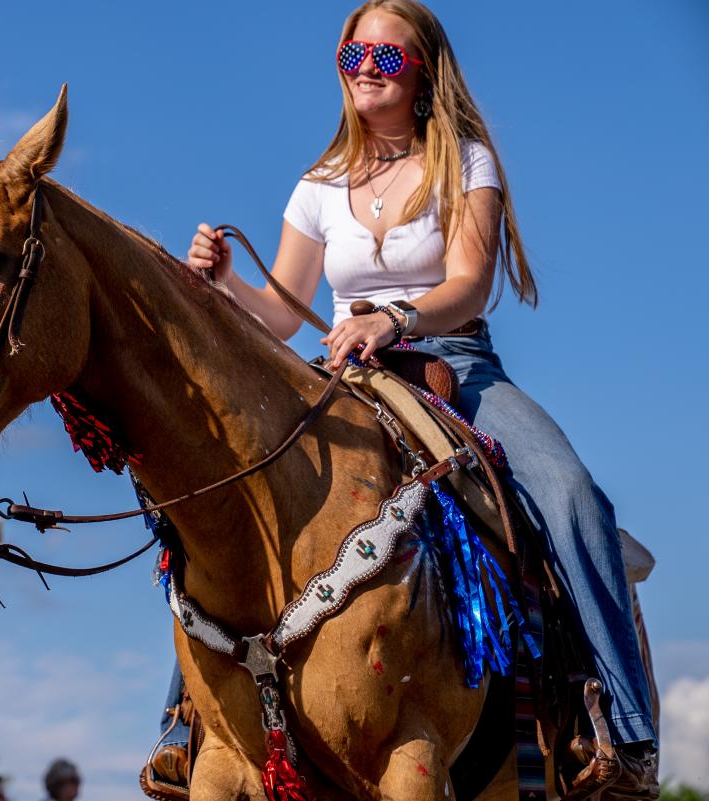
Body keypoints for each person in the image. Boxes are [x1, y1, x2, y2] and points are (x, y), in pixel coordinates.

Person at [182, 1, 657, 797]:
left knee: (572, 494)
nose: (367, 67)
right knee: (219, 499)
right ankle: (186, 727)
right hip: (341, 370)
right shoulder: (318, 186)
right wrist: (225, 282)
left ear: (423, 74)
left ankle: (617, 730)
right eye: (353, 55)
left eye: (388, 58)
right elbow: (279, 310)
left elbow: (468, 280)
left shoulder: (465, 162)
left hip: (453, 365)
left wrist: (395, 315)